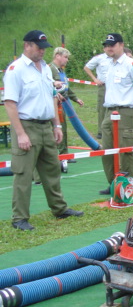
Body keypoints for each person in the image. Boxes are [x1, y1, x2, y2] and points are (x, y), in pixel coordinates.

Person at [3, 30, 84, 230]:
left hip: (46, 125)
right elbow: (10, 104)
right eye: (39, 48)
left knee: (52, 170)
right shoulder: (16, 70)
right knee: (23, 174)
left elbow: (51, 96)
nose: (42, 52)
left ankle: (59, 209)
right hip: (26, 125)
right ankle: (19, 218)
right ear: (27, 46)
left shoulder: (45, 69)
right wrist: (21, 133)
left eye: (44, 48)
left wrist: (56, 125)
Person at [98, 33, 133, 195]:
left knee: (127, 150)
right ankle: (114, 184)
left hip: (126, 112)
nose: (108, 48)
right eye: (106, 45)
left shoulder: (131, 64)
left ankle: (126, 185)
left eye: (112, 45)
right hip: (109, 111)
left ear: (121, 45)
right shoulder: (110, 64)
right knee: (106, 150)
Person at [49, 47, 84, 172]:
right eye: (65, 57)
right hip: (54, 104)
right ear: (57, 56)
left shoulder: (61, 71)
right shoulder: (50, 69)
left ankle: (64, 155)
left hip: (61, 103)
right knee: (57, 129)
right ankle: (57, 156)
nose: (67, 60)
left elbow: (66, 87)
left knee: (62, 128)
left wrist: (75, 98)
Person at [83, 46, 110, 140]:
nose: (109, 48)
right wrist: (95, 79)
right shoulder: (99, 58)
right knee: (102, 109)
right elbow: (87, 67)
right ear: (104, 49)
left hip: (115, 86)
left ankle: (112, 130)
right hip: (103, 86)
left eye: (111, 46)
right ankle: (101, 131)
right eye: (107, 47)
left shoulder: (117, 58)